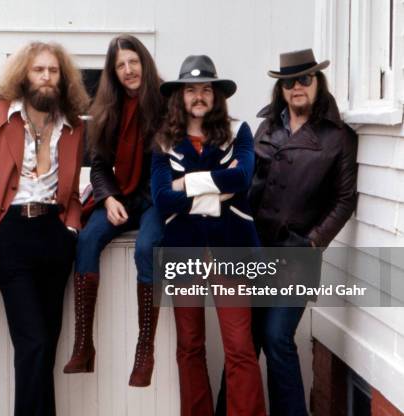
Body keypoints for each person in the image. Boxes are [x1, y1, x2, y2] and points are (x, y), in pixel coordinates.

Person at [0, 42, 89, 416]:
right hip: (11, 235)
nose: (47, 77)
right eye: (39, 70)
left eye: (53, 71)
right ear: (24, 74)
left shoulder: (74, 126)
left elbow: (75, 188)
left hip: (54, 235)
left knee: (45, 345)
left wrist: (70, 227)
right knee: (32, 341)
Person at [151, 55, 266, 416]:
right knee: (189, 345)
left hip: (231, 250)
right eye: (191, 90)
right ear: (180, 97)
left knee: (240, 346)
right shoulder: (162, 141)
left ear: (216, 95)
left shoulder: (239, 130)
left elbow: (242, 179)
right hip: (182, 251)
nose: (198, 96)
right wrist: (216, 192)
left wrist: (187, 183)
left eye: (205, 89)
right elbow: (161, 199)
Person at [248, 48, 357, 416]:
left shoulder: (337, 136)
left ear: (317, 83)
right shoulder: (266, 127)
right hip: (256, 249)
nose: (297, 87)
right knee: (249, 342)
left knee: (278, 337)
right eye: (289, 82)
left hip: (298, 251)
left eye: (305, 79)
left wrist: (313, 241)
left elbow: (345, 200)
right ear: (280, 89)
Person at [63, 34, 164, 387]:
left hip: (156, 200)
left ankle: (144, 349)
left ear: (144, 62)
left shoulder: (165, 102)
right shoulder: (107, 108)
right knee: (87, 239)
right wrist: (108, 198)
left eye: (132, 61)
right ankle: (83, 343)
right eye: (120, 65)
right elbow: (99, 166)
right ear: (114, 72)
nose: (128, 70)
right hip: (121, 197)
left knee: (146, 248)